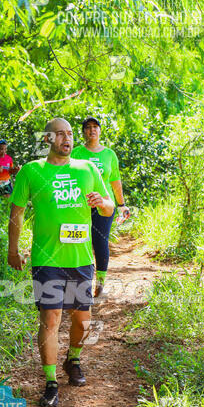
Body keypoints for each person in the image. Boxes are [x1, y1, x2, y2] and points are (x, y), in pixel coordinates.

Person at [7, 118, 114, 407]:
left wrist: (101, 203)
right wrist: (13, 249)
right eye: (60, 134)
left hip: (80, 258)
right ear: (47, 139)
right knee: (51, 318)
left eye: (69, 134)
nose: (67, 139)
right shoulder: (32, 171)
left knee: (83, 321)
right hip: (46, 258)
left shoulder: (88, 168)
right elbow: (16, 212)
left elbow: (109, 206)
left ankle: (73, 360)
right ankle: (51, 382)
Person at [71, 117, 129, 297]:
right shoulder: (76, 153)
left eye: (95, 127)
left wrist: (122, 205)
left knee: (100, 240)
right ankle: (81, 282)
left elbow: (115, 181)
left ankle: (100, 282)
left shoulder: (109, 154)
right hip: (81, 204)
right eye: (87, 128)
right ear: (83, 132)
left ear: (100, 131)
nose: (91, 130)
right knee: (80, 240)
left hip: (104, 204)